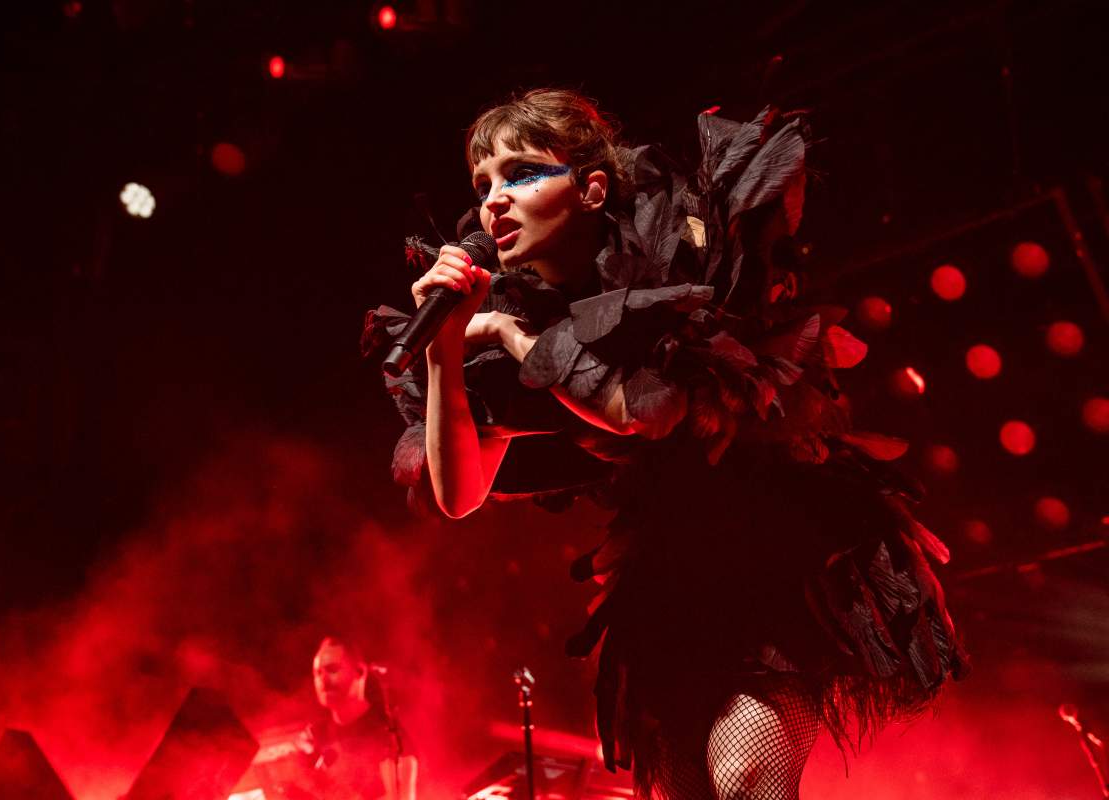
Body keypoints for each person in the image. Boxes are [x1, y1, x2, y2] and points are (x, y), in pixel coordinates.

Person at [363, 89, 969, 799]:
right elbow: (459, 495)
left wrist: (507, 336)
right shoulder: (509, 306)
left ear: (591, 189)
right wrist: (442, 356)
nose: (495, 200)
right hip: (669, 570)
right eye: (483, 184)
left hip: (776, 544)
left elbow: (647, 409)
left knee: (746, 778)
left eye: (521, 174)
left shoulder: (673, 253)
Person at [296, 636, 417, 800]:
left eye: (332, 669)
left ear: (360, 672)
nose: (322, 680)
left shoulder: (389, 735)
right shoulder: (315, 737)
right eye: (317, 673)